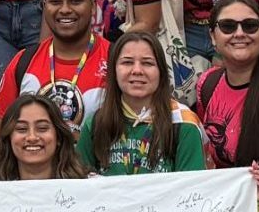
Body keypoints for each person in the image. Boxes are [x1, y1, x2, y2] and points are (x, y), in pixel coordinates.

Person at [0, 0, 113, 135]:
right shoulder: (24, 61)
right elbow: (0, 138)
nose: (65, 9)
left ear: (92, 7)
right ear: (44, 6)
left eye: (75, 1)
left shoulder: (115, 60)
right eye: (55, 2)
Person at [194, 0, 259, 192]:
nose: (239, 33)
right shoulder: (206, 83)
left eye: (250, 26)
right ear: (213, 36)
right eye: (228, 26)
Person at [77, 31, 208, 174]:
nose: (137, 70)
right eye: (127, 62)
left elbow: (192, 190)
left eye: (147, 63)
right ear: (114, 71)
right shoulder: (96, 123)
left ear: (161, 72)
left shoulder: (183, 124)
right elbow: (80, 187)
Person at [0, 93, 88, 182]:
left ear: (59, 137)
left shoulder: (91, 188)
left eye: (42, 128)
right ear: (9, 138)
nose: (32, 137)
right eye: (22, 129)